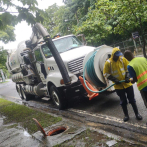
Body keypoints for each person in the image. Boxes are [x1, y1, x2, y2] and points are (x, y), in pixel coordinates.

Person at [103, 47, 142, 122]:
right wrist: (114, 80)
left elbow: (127, 68)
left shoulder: (122, 59)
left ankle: (137, 114)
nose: (118, 56)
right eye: (116, 55)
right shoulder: (108, 63)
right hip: (118, 86)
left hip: (127, 84)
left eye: (119, 55)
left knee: (132, 100)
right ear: (113, 55)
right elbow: (106, 73)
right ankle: (126, 115)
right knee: (123, 101)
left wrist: (127, 76)